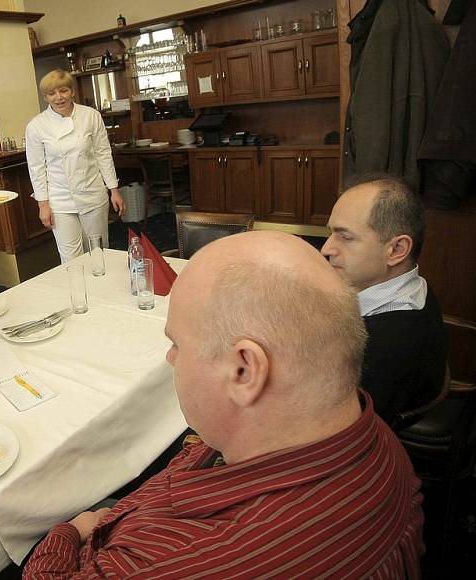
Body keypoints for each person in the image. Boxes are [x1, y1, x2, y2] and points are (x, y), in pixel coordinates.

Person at [24, 231, 423, 578]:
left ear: (245, 370)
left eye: (177, 344)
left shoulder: (171, 564)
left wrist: (71, 531)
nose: (171, 359)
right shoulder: (366, 430)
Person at [322, 174, 447, 426]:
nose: (326, 248)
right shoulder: (411, 284)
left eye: (345, 237)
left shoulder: (390, 343)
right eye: (331, 233)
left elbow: (340, 431)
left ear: (397, 250)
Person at [25, 69, 125, 264]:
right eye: (52, 93)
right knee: (70, 259)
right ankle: (77, 293)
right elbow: (36, 168)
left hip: (92, 192)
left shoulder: (91, 116)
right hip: (59, 200)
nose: (58, 97)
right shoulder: (36, 126)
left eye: (63, 91)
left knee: (98, 253)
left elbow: (103, 154)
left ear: (72, 91)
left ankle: (100, 293)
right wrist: (43, 205)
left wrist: (114, 190)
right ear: (46, 97)